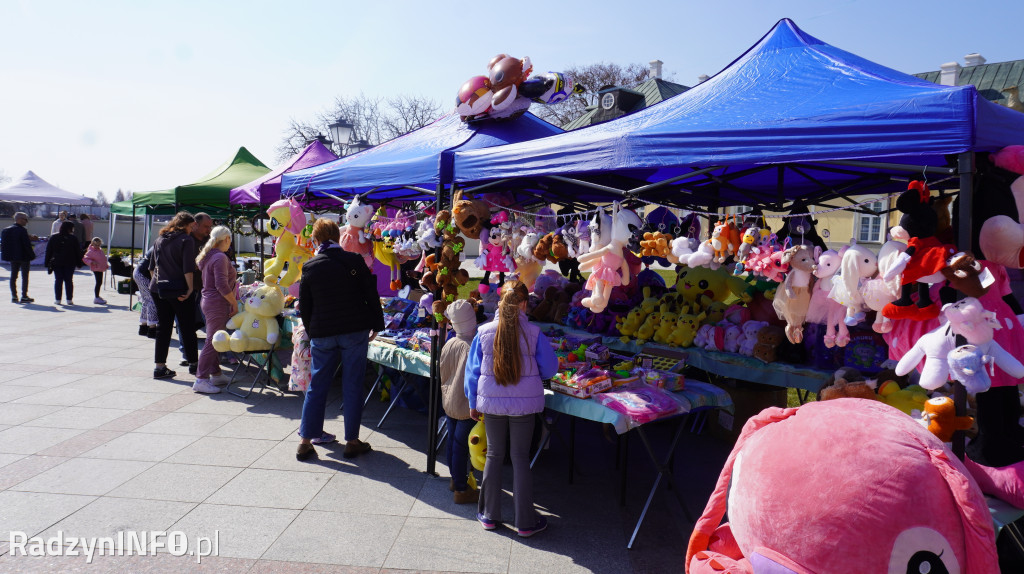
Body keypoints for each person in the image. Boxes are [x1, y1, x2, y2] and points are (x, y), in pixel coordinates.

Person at [465, 280, 557, 538]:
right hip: (525, 405)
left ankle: (489, 515)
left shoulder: (483, 332)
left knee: (493, 455)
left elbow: (472, 373)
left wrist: (473, 402)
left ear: (499, 301)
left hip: (491, 403)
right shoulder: (535, 333)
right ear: (525, 303)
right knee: (520, 458)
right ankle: (526, 522)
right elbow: (550, 369)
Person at [297, 218, 384, 461]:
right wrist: (377, 324)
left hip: (323, 332)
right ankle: (352, 441)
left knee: (317, 385)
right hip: (354, 330)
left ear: (315, 240)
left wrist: (312, 330)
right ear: (337, 236)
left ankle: (305, 441)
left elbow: (305, 306)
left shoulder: (310, 266)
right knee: (353, 383)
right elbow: (371, 294)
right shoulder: (353, 260)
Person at [149, 211, 198, 379]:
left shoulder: (160, 239)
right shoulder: (186, 240)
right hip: (179, 289)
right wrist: (190, 288)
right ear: (185, 225)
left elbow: (151, 267)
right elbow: (188, 268)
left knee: (163, 328)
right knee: (187, 327)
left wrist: (158, 285)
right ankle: (194, 364)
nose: (192, 230)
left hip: (158, 288)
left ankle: (159, 367)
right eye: (191, 226)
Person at [440, 299, 480, 504]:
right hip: (466, 404)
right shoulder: (471, 347)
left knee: (452, 443)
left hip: (450, 401)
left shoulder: (449, 343)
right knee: (460, 447)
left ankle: (455, 481)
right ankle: (462, 490)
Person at [193, 226, 237, 394]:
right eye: (230, 240)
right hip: (217, 303)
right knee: (213, 341)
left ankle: (215, 374)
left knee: (214, 339)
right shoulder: (219, 257)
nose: (230, 244)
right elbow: (221, 285)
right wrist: (233, 302)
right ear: (225, 239)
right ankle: (201, 379)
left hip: (210, 302)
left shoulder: (211, 255)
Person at [176, 212, 213, 368]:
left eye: (210, 227)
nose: (208, 229)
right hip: (187, 287)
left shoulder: (210, 241)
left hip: (205, 287)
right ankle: (187, 354)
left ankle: (215, 353)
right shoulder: (186, 240)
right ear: (195, 224)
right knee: (184, 322)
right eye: (206, 226)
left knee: (210, 321)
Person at [44, 221, 83, 306]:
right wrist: (79, 263)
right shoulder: (73, 238)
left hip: (57, 262)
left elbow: (49, 251)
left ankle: (58, 299)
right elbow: (77, 252)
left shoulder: (54, 237)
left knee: (58, 280)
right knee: (69, 280)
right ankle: (69, 299)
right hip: (70, 262)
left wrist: (47, 262)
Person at [1, 212, 36, 303]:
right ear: (19, 219)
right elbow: (26, 245)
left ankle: (14, 296)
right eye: (25, 219)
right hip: (24, 257)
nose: (26, 222)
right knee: (24, 276)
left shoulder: (6, 230)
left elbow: (4, 245)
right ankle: (24, 296)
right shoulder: (22, 230)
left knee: (13, 276)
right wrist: (32, 255)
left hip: (13, 257)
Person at [133, 245, 158, 337]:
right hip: (144, 274)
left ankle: (143, 327)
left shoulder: (157, 244)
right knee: (152, 300)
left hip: (139, 272)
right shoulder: (161, 246)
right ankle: (152, 328)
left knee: (146, 300)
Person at [81, 237, 109, 305]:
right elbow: (85, 259)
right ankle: (96, 297)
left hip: (100, 268)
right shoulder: (91, 251)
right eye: (96, 245)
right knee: (98, 282)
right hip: (96, 268)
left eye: (99, 245)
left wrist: (105, 265)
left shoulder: (100, 250)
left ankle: (97, 296)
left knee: (100, 282)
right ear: (92, 244)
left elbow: (102, 258)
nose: (97, 246)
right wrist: (91, 262)